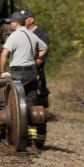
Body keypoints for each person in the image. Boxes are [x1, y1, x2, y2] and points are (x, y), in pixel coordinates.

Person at [0, 10, 48, 150]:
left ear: (15, 23)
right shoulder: (32, 35)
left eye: (11, 23)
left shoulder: (14, 36)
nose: (10, 25)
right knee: (30, 102)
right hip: (32, 72)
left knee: (14, 103)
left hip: (18, 72)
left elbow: (4, 55)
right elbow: (44, 48)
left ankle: (20, 135)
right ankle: (32, 138)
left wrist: (3, 72)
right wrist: (35, 58)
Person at [20, 8, 50, 148]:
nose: (22, 21)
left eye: (24, 18)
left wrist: (26, 65)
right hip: (24, 76)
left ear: (31, 19)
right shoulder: (21, 34)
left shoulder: (40, 35)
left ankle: (39, 139)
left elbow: (41, 59)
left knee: (39, 107)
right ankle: (28, 137)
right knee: (25, 106)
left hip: (37, 77)